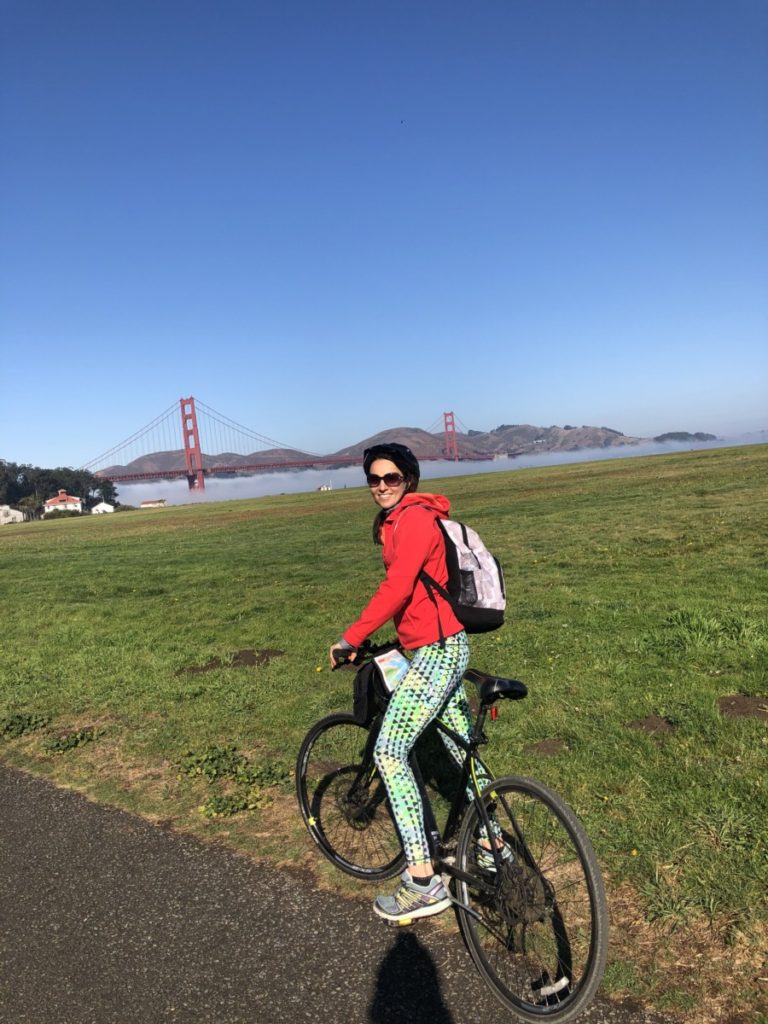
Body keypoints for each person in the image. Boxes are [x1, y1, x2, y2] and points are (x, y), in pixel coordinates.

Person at [328, 442, 478, 924]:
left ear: (408, 479)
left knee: (389, 752)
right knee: (459, 751)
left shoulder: (412, 519)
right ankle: (496, 846)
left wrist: (352, 636)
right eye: (373, 479)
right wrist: (401, 636)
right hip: (437, 644)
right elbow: (415, 593)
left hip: (438, 651)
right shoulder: (402, 519)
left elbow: (397, 586)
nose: (381, 487)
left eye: (391, 478)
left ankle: (422, 881)